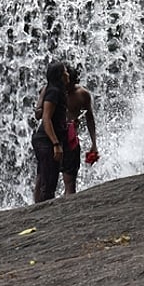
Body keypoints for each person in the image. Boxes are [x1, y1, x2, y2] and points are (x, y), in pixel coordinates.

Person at [30, 61, 69, 202]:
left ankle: (38, 208)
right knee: (49, 179)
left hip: (44, 140)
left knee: (43, 176)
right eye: (65, 71)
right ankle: (43, 212)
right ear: (59, 75)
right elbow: (46, 119)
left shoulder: (54, 90)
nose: (68, 74)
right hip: (46, 141)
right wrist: (56, 144)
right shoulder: (53, 91)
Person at [62, 67, 98, 195]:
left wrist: (94, 143)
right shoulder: (54, 92)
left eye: (69, 84)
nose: (66, 87)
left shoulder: (82, 94)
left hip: (70, 138)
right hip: (54, 136)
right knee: (46, 178)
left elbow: (90, 119)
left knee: (70, 179)